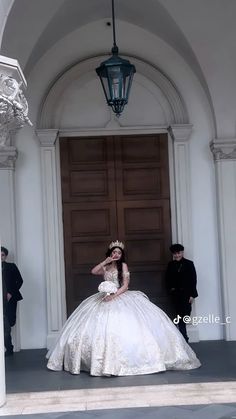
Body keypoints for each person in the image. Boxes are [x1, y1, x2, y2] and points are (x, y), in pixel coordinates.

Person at [47, 240, 200, 376]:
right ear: (110, 253)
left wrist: (113, 296)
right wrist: (105, 261)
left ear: (122, 255)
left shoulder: (124, 266)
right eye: (114, 252)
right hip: (103, 297)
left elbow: (126, 286)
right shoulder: (106, 265)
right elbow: (93, 271)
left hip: (119, 295)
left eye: (119, 252)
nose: (116, 254)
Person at [166, 243, 198, 342]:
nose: (177, 255)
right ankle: (184, 338)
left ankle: (183, 336)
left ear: (182, 253)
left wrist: (192, 295)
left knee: (185, 315)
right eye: (175, 254)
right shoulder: (170, 265)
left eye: (178, 253)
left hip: (186, 294)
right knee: (179, 316)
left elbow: (193, 279)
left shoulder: (189, 264)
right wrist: (171, 289)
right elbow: (167, 279)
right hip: (176, 295)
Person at [1, 246, 23, 356]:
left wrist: (11, 293)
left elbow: (20, 281)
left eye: (2, 255)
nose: (0, 257)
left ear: (5, 256)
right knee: (4, 325)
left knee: (8, 324)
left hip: (9, 301)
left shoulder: (11, 267)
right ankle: (7, 348)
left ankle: (9, 349)